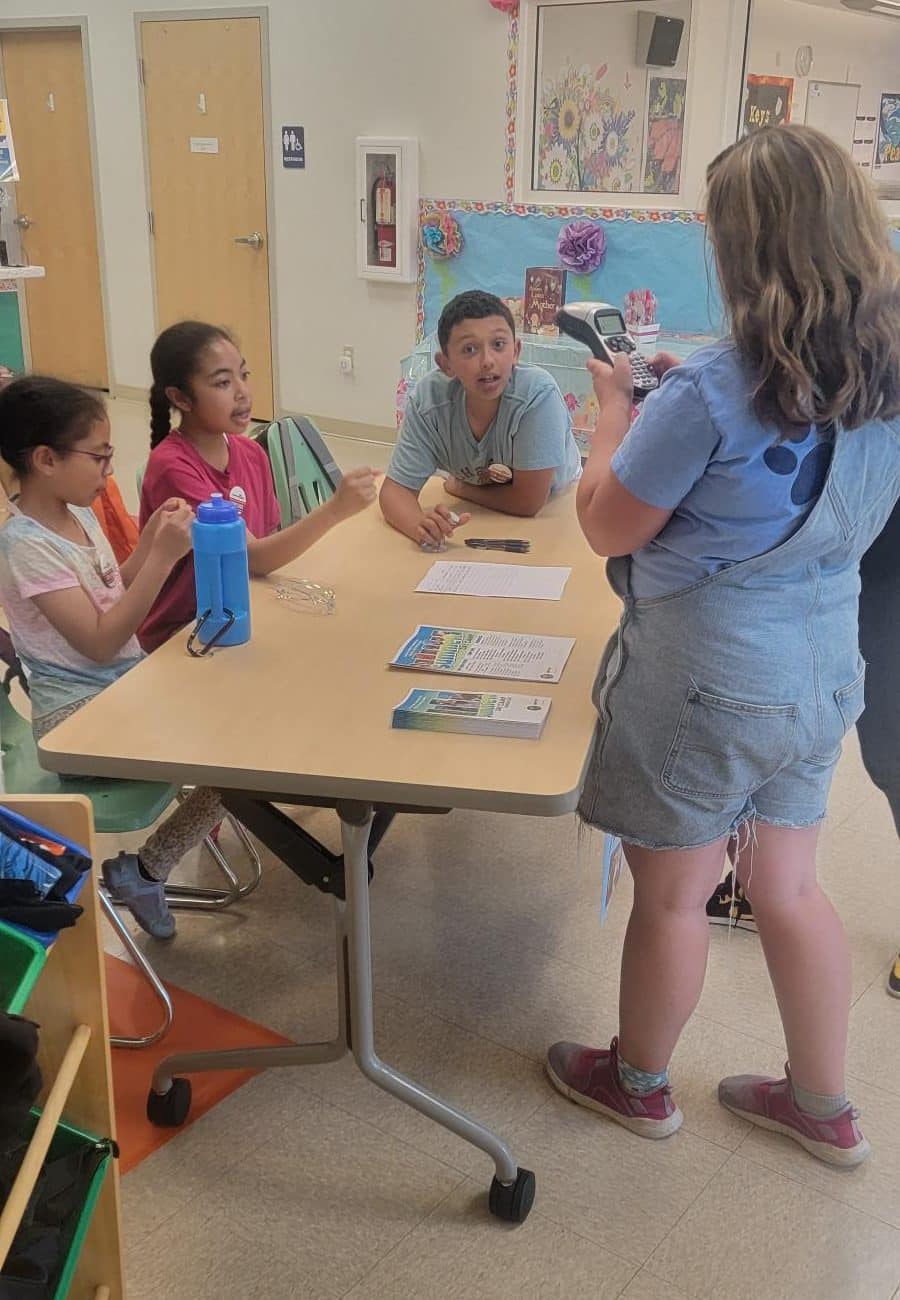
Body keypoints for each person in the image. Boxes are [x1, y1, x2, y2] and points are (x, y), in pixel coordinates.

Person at [547, 125, 900, 1168]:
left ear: (742, 248)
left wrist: (614, 415)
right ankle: (823, 1104)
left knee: (672, 893)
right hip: (823, 667)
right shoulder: (886, 371)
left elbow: (606, 524)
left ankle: (637, 1081)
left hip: (707, 678)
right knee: (789, 885)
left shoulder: (709, 389)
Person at [0, 375, 225, 940]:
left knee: (246, 720)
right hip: (77, 721)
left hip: (121, 693)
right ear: (46, 459)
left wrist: (149, 541)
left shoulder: (78, 514)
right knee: (239, 751)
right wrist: (162, 559)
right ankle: (147, 869)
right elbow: (99, 641)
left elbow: (108, 592)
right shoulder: (25, 546)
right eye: (98, 457)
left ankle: (145, 871)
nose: (108, 470)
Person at [139, 320, 377, 652]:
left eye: (244, 375)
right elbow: (253, 559)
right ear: (181, 398)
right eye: (223, 382)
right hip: (186, 634)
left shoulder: (250, 453)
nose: (243, 392)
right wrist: (335, 509)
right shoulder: (172, 466)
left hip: (245, 613)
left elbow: (269, 544)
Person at [379, 290, 581, 548]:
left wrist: (461, 489)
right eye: (469, 349)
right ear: (446, 364)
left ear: (516, 351)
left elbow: (528, 502)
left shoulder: (537, 395)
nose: (487, 361)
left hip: (556, 502)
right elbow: (395, 492)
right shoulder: (428, 402)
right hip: (478, 510)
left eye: (498, 344)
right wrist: (422, 526)